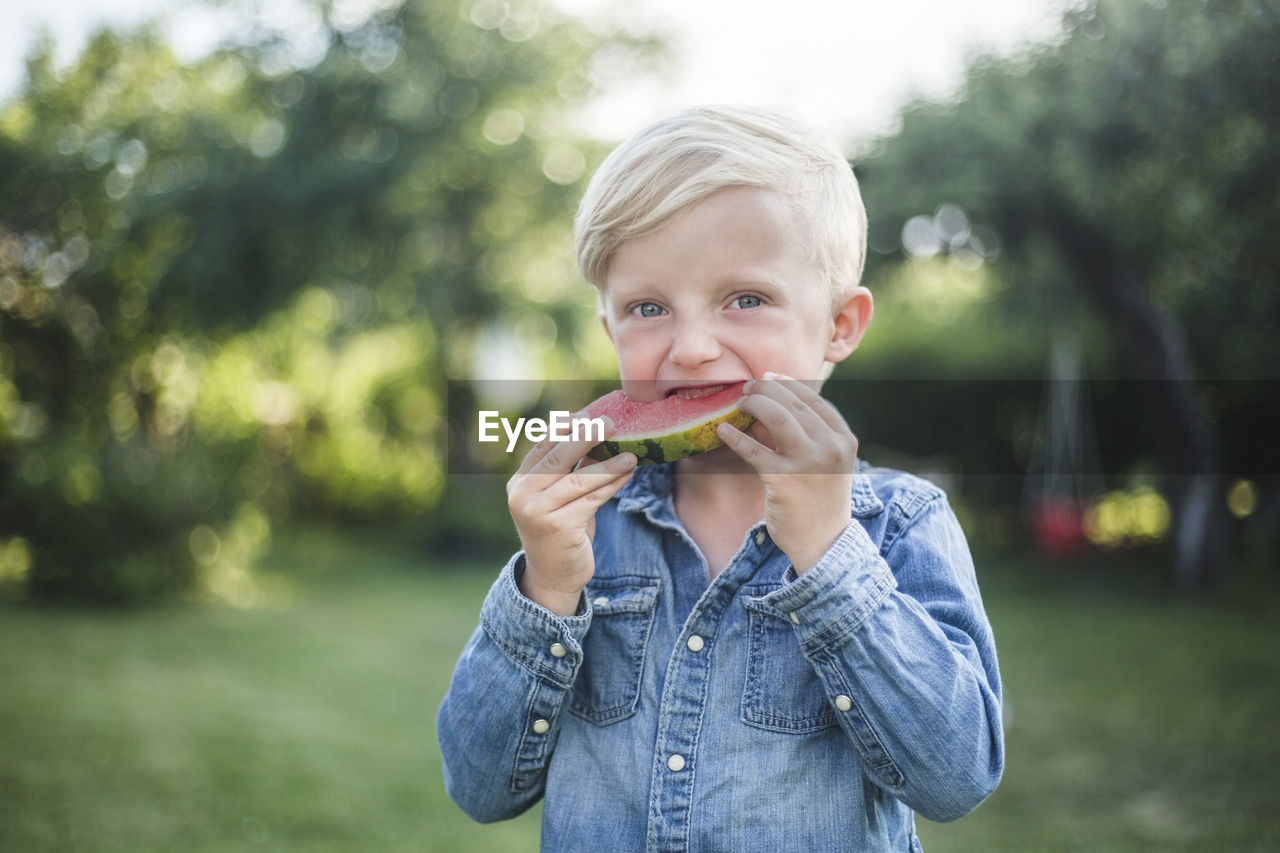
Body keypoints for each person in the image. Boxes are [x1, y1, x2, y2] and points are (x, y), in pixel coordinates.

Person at [438, 104, 1004, 852]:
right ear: (610, 331)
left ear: (840, 324)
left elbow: (956, 775)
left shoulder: (899, 522)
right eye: (648, 308)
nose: (694, 348)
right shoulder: (585, 527)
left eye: (746, 299)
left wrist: (832, 556)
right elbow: (480, 788)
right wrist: (544, 589)